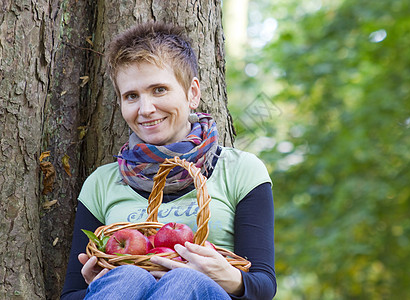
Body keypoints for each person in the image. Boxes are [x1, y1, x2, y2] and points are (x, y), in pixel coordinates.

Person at [61, 21, 276, 300]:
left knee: (184, 281)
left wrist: (229, 277)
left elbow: (263, 287)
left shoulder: (240, 171)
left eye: (159, 89)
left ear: (192, 93)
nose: (146, 109)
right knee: (128, 277)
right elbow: (71, 294)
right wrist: (98, 285)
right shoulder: (102, 183)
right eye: (131, 96)